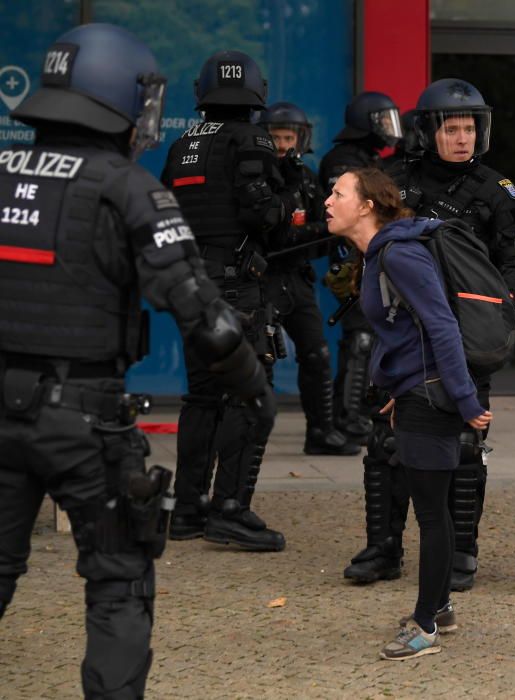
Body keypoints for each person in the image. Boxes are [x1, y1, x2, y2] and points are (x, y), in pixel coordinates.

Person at [0, 24, 274, 697]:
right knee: (119, 582)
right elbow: (202, 315)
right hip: (83, 419)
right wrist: (251, 383)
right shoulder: (127, 188)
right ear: (122, 101)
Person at [342, 78, 515, 591]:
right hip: (403, 338)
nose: (463, 138)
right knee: (386, 443)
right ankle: (384, 547)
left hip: (465, 338)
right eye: (452, 128)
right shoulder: (394, 182)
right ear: (429, 131)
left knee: (466, 447)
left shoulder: (496, 191)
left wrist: (505, 314)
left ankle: (460, 553)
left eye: (470, 128)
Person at [325, 166, 492, 659]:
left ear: (366, 205)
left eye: (337, 193)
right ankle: (439, 608)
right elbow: (406, 332)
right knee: (432, 508)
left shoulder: (401, 254)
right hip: (419, 390)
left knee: (432, 514)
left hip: (435, 395)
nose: (327, 201)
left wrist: (463, 400)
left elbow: (440, 325)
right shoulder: (382, 254)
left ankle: (425, 627)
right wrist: (403, 385)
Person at [162, 50, 298, 551]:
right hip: (237, 287)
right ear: (255, 93)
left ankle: (187, 509)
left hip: (191, 286)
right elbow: (262, 213)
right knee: (250, 394)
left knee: (200, 397)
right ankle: (230, 510)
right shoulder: (251, 138)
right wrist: (290, 207)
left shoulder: (182, 145)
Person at [256, 101, 359, 456]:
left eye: (289, 137)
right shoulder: (257, 177)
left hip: (297, 279)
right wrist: (312, 233)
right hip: (263, 279)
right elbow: (274, 236)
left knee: (316, 354)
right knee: (261, 359)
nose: (283, 144)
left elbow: (327, 230)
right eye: (276, 136)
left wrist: (310, 235)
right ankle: (253, 434)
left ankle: (321, 432)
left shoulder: (307, 179)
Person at [320, 91, 403, 445]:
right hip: (352, 259)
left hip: (369, 258)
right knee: (359, 339)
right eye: (383, 120)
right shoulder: (344, 163)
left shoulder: (365, 160)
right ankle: (347, 416)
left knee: (369, 338)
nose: (389, 128)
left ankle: (359, 412)